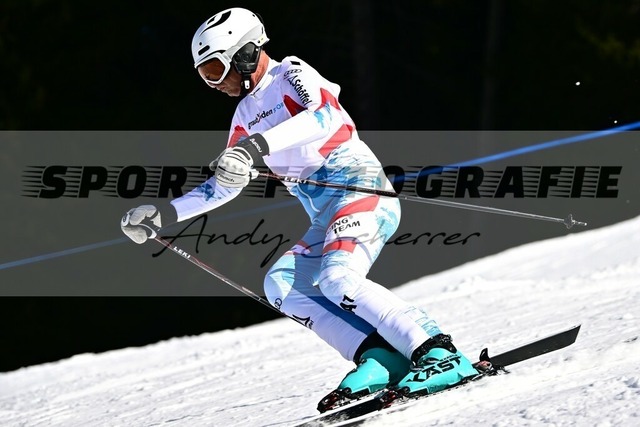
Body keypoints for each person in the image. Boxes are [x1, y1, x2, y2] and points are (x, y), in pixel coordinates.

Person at [120, 7, 478, 411]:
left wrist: (255, 147)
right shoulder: (243, 115)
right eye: (205, 75)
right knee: (282, 284)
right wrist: (165, 215)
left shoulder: (289, 72)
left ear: (246, 53)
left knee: (338, 278)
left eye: (216, 69)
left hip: (360, 189)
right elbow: (226, 183)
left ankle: (438, 352)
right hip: (326, 214)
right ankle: (381, 357)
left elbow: (324, 116)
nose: (214, 84)